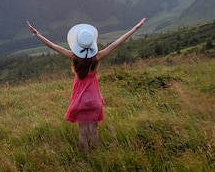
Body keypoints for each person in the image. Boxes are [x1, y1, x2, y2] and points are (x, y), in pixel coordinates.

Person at [26, 18, 146, 150]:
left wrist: (36, 33)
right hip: (94, 100)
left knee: (82, 132)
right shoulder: (97, 58)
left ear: (78, 44)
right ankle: (96, 156)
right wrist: (135, 28)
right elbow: (117, 43)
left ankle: (85, 156)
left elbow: (53, 46)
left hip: (80, 101)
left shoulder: (74, 57)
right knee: (93, 131)